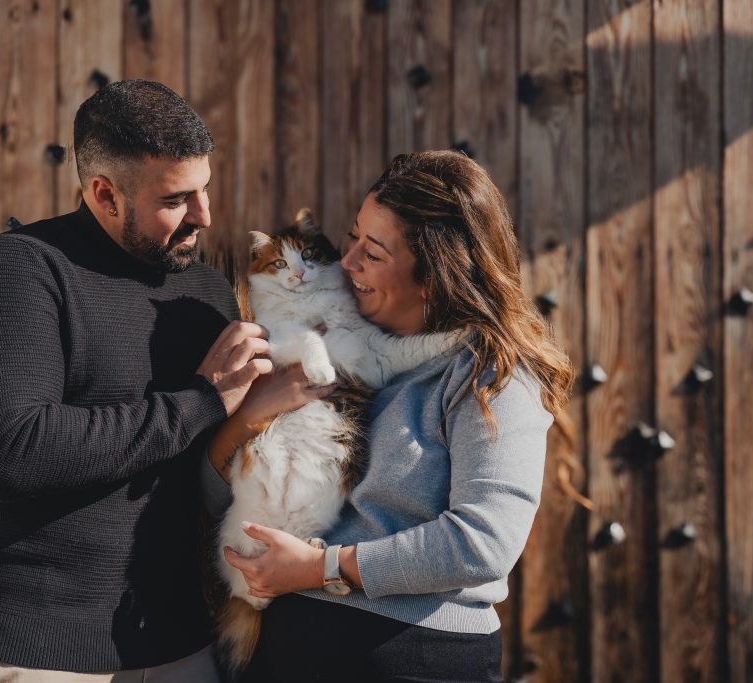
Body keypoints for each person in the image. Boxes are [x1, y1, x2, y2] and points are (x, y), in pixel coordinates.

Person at [0, 80, 326, 681]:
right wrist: (201, 400)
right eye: (176, 200)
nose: (205, 217)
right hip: (37, 650)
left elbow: (203, 459)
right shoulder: (20, 271)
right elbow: (14, 455)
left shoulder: (206, 292)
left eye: (205, 191)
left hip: (178, 643)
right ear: (104, 193)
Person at [206, 150, 575, 682]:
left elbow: (483, 544)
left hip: (411, 659)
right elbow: (212, 491)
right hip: (284, 646)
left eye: (373, 253)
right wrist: (249, 417)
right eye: (352, 236)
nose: (347, 261)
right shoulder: (317, 345)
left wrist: (322, 568)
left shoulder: (489, 375)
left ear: (435, 276)